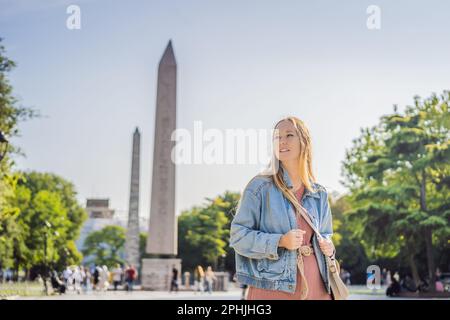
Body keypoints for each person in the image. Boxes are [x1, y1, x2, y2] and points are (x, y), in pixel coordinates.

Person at [230, 117, 335, 300]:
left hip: (318, 288)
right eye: (277, 137)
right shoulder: (259, 187)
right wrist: (280, 241)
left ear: (304, 142)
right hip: (272, 289)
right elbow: (238, 236)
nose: (282, 141)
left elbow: (326, 234)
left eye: (289, 135)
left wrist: (329, 246)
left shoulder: (320, 193)